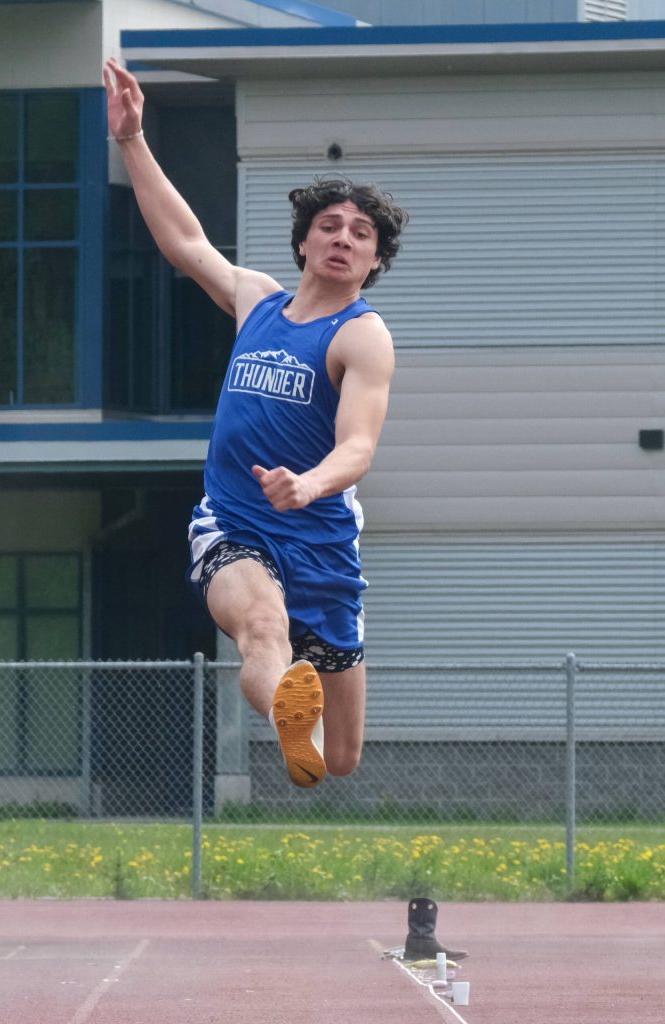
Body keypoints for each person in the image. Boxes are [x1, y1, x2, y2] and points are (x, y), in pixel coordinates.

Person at [104, 59, 408, 789]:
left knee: (341, 760)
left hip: (323, 543)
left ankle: (304, 731)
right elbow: (186, 242)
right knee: (262, 630)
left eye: (360, 233)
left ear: (373, 260)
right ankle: (283, 710)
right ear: (303, 241)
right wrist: (134, 140)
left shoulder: (362, 336)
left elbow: (360, 445)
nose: (342, 237)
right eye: (328, 226)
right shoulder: (257, 302)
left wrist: (309, 484)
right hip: (236, 526)